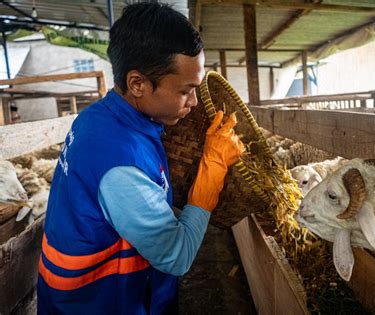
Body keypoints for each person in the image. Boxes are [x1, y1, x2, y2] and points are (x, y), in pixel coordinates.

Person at [37, 2, 244, 314]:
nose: (195, 102)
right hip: (100, 301)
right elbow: (177, 257)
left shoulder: (100, 116)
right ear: (137, 84)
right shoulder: (121, 165)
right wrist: (212, 170)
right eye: (185, 91)